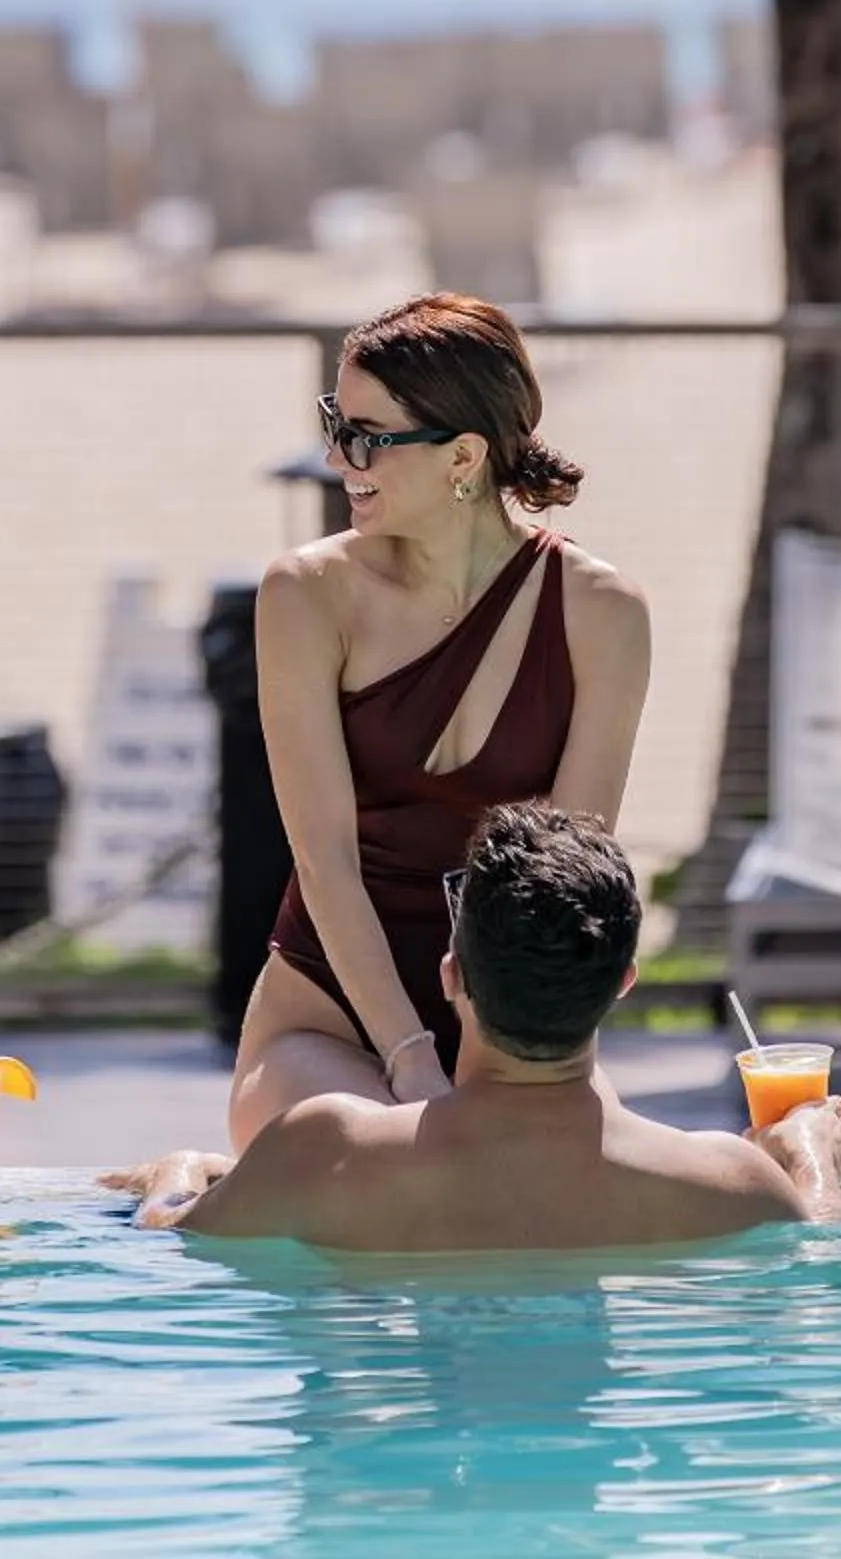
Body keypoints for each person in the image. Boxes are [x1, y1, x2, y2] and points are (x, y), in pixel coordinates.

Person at [233, 296, 651, 1151]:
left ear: (463, 456)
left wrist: (508, 1067)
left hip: (518, 1029)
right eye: (336, 425)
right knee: (396, 1164)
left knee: (556, 1198)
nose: (337, 458)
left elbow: (565, 880)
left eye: (367, 436)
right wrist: (414, 1060)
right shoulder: (306, 594)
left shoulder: (602, 610)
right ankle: (184, 1180)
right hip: (330, 1020)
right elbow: (323, 859)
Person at [115, 805, 841, 1250]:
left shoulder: (325, 1147)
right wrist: (808, 1152)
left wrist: (177, 1168)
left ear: (450, 976)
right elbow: (822, 1238)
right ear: (622, 985)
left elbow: (164, 1229)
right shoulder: (727, 1180)